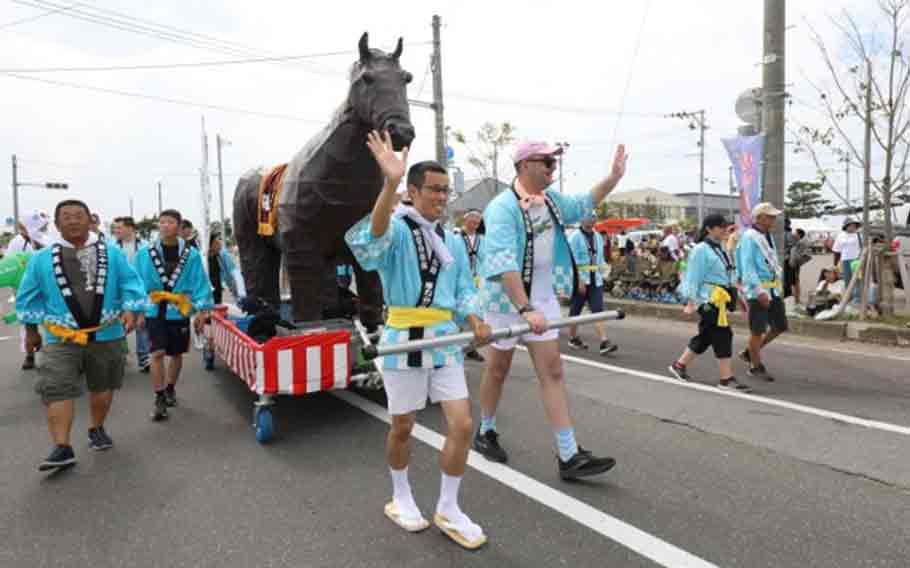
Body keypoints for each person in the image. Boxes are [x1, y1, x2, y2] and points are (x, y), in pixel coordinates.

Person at [345, 132, 492, 549]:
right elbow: (370, 244)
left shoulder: (452, 241)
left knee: (462, 424)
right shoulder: (397, 229)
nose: (443, 197)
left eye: (447, 190)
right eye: (435, 189)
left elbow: (464, 287)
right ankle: (401, 495)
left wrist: (475, 318)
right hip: (403, 337)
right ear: (413, 191)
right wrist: (388, 183)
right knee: (403, 427)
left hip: (444, 339)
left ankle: (448, 506)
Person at [474, 140, 627, 481]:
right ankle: (485, 430)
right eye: (546, 161)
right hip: (504, 298)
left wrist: (613, 177)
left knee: (553, 371)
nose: (552, 168)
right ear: (524, 164)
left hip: (542, 294)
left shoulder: (554, 201)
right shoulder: (501, 208)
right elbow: (503, 263)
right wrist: (524, 308)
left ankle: (568, 454)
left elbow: (586, 203)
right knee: (498, 368)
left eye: (554, 163)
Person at [16, 199, 147, 472]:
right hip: (60, 337)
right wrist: (31, 331)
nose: (73, 220)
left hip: (107, 333)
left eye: (79, 215)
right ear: (56, 223)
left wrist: (132, 311)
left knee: (102, 388)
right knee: (56, 388)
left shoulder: (112, 253)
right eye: (66, 216)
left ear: (90, 220)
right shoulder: (40, 259)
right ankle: (62, 447)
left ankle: (96, 428)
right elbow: (29, 297)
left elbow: (131, 283)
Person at [134, 209, 213, 420]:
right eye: (161, 222)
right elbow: (137, 283)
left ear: (179, 227)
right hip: (154, 309)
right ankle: (159, 397)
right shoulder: (144, 253)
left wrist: (202, 310)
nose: (164, 226)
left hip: (179, 310)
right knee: (157, 353)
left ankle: (170, 388)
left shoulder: (191, 255)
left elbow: (200, 283)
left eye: (169, 222)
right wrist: (138, 311)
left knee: (176, 354)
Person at [668, 215, 751, 391]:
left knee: (706, 336)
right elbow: (692, 277)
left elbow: (729, 274)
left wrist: (739, 297)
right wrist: (691, 301)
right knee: (723, 334)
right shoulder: (701, 250)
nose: (724, 229)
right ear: (709, 229)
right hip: (707, 299)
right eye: (720, 226)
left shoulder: (720, 248)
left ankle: (679, 365)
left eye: (725, 226)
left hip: (720, 298)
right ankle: (726, 378)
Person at [737, 203, 788, 382]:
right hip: (758, 290)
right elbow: (748, 266)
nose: (773, 219)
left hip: (773, 288)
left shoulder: (767, 236)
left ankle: (750, 352)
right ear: (759, 218)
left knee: (780, 326)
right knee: (757, 330)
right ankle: (755, 365)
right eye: (769, 216)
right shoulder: (749, 238)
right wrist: (759, 291)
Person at [566, 216, 618, 355]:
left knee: (597, 310)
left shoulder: (597, 236)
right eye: (589, 217)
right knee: (575, 310)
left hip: (596, 279)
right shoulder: (575, 237)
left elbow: (600, 258)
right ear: (582, 220)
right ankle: (572, 337)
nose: (592, 220)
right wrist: (578, 281)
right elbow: (570, 260)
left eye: (594, 217)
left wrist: (604, 273)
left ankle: (604, 341)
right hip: (581, 279)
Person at [113, 216, 150, 372]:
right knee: (119, 325)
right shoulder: (111, 247)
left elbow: (148, 272)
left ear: (131, 228)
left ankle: (144, 358)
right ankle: (120, 355)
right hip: (119, 294)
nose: (116, 231)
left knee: (142, 325)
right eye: (115, 228)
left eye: (119, 228)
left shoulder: (145, 247)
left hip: (139, 292)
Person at [452, 208, 486, 362]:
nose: (475, 223)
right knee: (457, 315)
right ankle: (454, 347)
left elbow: (486, 260)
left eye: (478, 221)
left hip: (477, 281)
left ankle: (470, 348)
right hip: (458, 281)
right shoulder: (455, 237)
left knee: (476, 314)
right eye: (472, 220)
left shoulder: (482, 239)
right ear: (465, 220)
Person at [833, 219, 863, 302]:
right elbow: (836, 250)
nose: (852, 227)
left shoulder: (859, 235)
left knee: (857, 279)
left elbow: (864, 247)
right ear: (846, 227)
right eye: (850, 225)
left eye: (854, 225)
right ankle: (849, 297)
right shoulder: (840, 236)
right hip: (845, 260)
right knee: (847, 279)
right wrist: (835, 264)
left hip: (856, 259)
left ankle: (858, 298)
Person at [789, 228, 811, 305]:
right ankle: (796, 299)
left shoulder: (801, 243)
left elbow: (808, 256)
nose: (794, 234)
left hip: (794, 265)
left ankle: (797, 300)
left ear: (799, 235)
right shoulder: (796, 242)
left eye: (795, 233)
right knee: (794, 282)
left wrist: (798, 261)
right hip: (792, 264)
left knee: (795, 282)